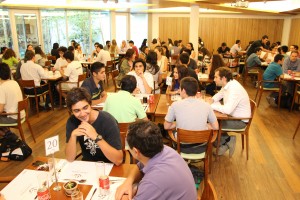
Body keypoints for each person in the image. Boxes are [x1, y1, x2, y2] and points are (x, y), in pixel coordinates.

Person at [115, 121, 197, 200]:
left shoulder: (153, 182)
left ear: (136, 152)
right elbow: (139, 166)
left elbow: (152, 184)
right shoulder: (164, 150)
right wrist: (128, 182)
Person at [65, 87, 123, 165]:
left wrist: (96, 137)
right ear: (71, 111)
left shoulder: (108, 121)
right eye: (76, 110)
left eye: (85, 108)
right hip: (88, 166)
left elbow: (118, 160)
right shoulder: (72, 121)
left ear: (90, 104)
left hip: (110, 166)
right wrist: (73, 136)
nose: (82, 114)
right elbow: (69, 158)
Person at [164, 77, 218, 153]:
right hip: (202, 147)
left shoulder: (175, 105)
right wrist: (205, 125)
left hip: (182, 147)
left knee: (171, 132)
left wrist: (177, 124)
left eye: (180, 88)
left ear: (183, 90)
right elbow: (216, 127)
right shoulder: (206, 105)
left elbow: (166, 126)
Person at [208, 67, 251, 156]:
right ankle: (224, 142)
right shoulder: (228, 84)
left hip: (240, 121)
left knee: (212, 123)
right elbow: (220, 94)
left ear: (223, 78)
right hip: (233, 117)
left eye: (216, 77)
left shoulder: (234, 89)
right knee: (211, 120)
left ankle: (226, 141)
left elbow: (227, 110)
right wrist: (212, 100)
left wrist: (211, 106)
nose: (214, 79)